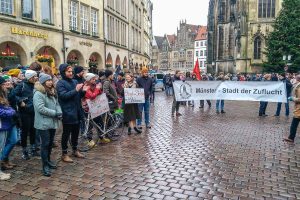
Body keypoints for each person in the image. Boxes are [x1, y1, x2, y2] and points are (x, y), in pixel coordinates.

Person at [33, 73, 62, 176]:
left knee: (50, 144)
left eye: (51, 80)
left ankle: (48, 161)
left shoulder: (51, 91)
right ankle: (44, 165)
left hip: (52, 122)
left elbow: (57, 103)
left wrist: (59, 111)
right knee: (45, 144)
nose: (50, 82)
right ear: (43, 82)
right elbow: (40, 108)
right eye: (48, 80)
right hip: (43, 123)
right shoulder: (38, 93)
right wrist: (55, 113)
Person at [56, 64, 85, 163]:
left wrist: (83, 91)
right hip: (67, 112)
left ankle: (75, 150)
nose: (71, 73)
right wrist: (75, 90)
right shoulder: (60, 83)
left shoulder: (75, 81)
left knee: (76, 132)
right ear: (63, 72)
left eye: (71, 71)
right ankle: (64, 154)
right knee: (66, 134)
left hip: (77, 111)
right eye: (68, 71)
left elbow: (78, 95)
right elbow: (63, 96)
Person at [14, 70, 38, 160]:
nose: (36, 78)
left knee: (33, 130)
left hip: (34, 112)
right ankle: (24, 152)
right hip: (24, 113)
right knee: (25, 132)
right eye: (34, 76)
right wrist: (21, 101)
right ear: (29, 77)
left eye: (36, 76)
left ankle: (33, 149)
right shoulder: (22, 85)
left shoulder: (35, 84)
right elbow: (14, 95)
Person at [83, 73, 110, 144]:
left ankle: (101, 137)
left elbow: (100, 94)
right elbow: (91, 96)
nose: (95, 80)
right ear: (88, 80)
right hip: (88, 109)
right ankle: (89, 140)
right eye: (93, 79)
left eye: (95, 78)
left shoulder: (95, 86)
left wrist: (99, 89)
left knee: (100, 123)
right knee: (89, 125)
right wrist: (97, 89)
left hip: (96, 109)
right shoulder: (85, 87)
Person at [0, 76, 16, 180]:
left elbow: (7, 106)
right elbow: (1, 111)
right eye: (3, 83)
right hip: (2, 125)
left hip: (6, 124)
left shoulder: (3, 94)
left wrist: (10, 110)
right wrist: (11, 112)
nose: (5, 84)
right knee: (0, 148)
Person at [284, 75, 300, 143]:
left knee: (294, 124)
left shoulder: (299, 87)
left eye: (296, 78)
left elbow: (299, 99)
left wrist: (292, 98)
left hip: (298, 109)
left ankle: (291, 137)